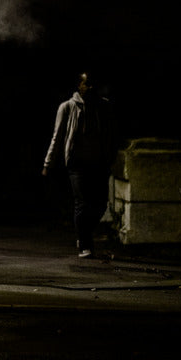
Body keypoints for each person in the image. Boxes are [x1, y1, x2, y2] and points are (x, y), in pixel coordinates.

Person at [42, 71, 116, 258]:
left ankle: (84, 234)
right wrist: (48, 163)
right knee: (82, 203)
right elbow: (57, 137)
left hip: (99, 163)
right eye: (86, 84)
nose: (89, 87)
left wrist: (110, 159)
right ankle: (85, 245)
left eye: (92, 84)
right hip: (77, 164)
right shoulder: (67, 107)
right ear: (79, 86)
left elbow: (110, 136)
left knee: (100, 204)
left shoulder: (104, 106)